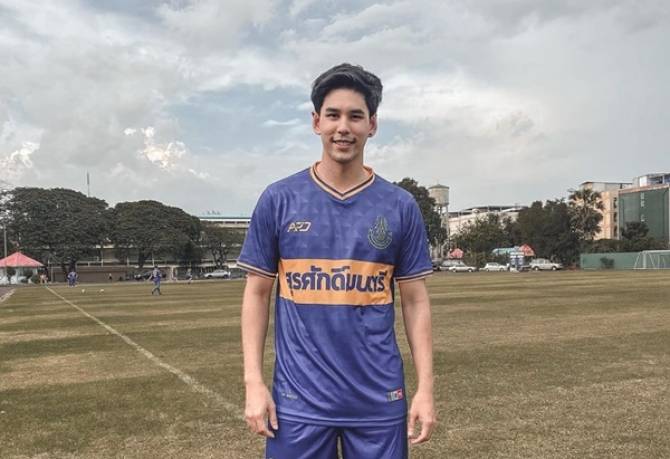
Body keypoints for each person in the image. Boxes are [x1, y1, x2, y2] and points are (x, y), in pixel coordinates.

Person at [239, 63, 436, 459]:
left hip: (378, 399)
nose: (343, 127)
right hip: (298, 400)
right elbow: (257, 294)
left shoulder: (399, 205)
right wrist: (253, 383)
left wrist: (426, 389)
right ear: (316, 122)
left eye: (355, 116)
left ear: (372, 125)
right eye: (333, 115)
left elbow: (415, 301)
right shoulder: (280, 199)